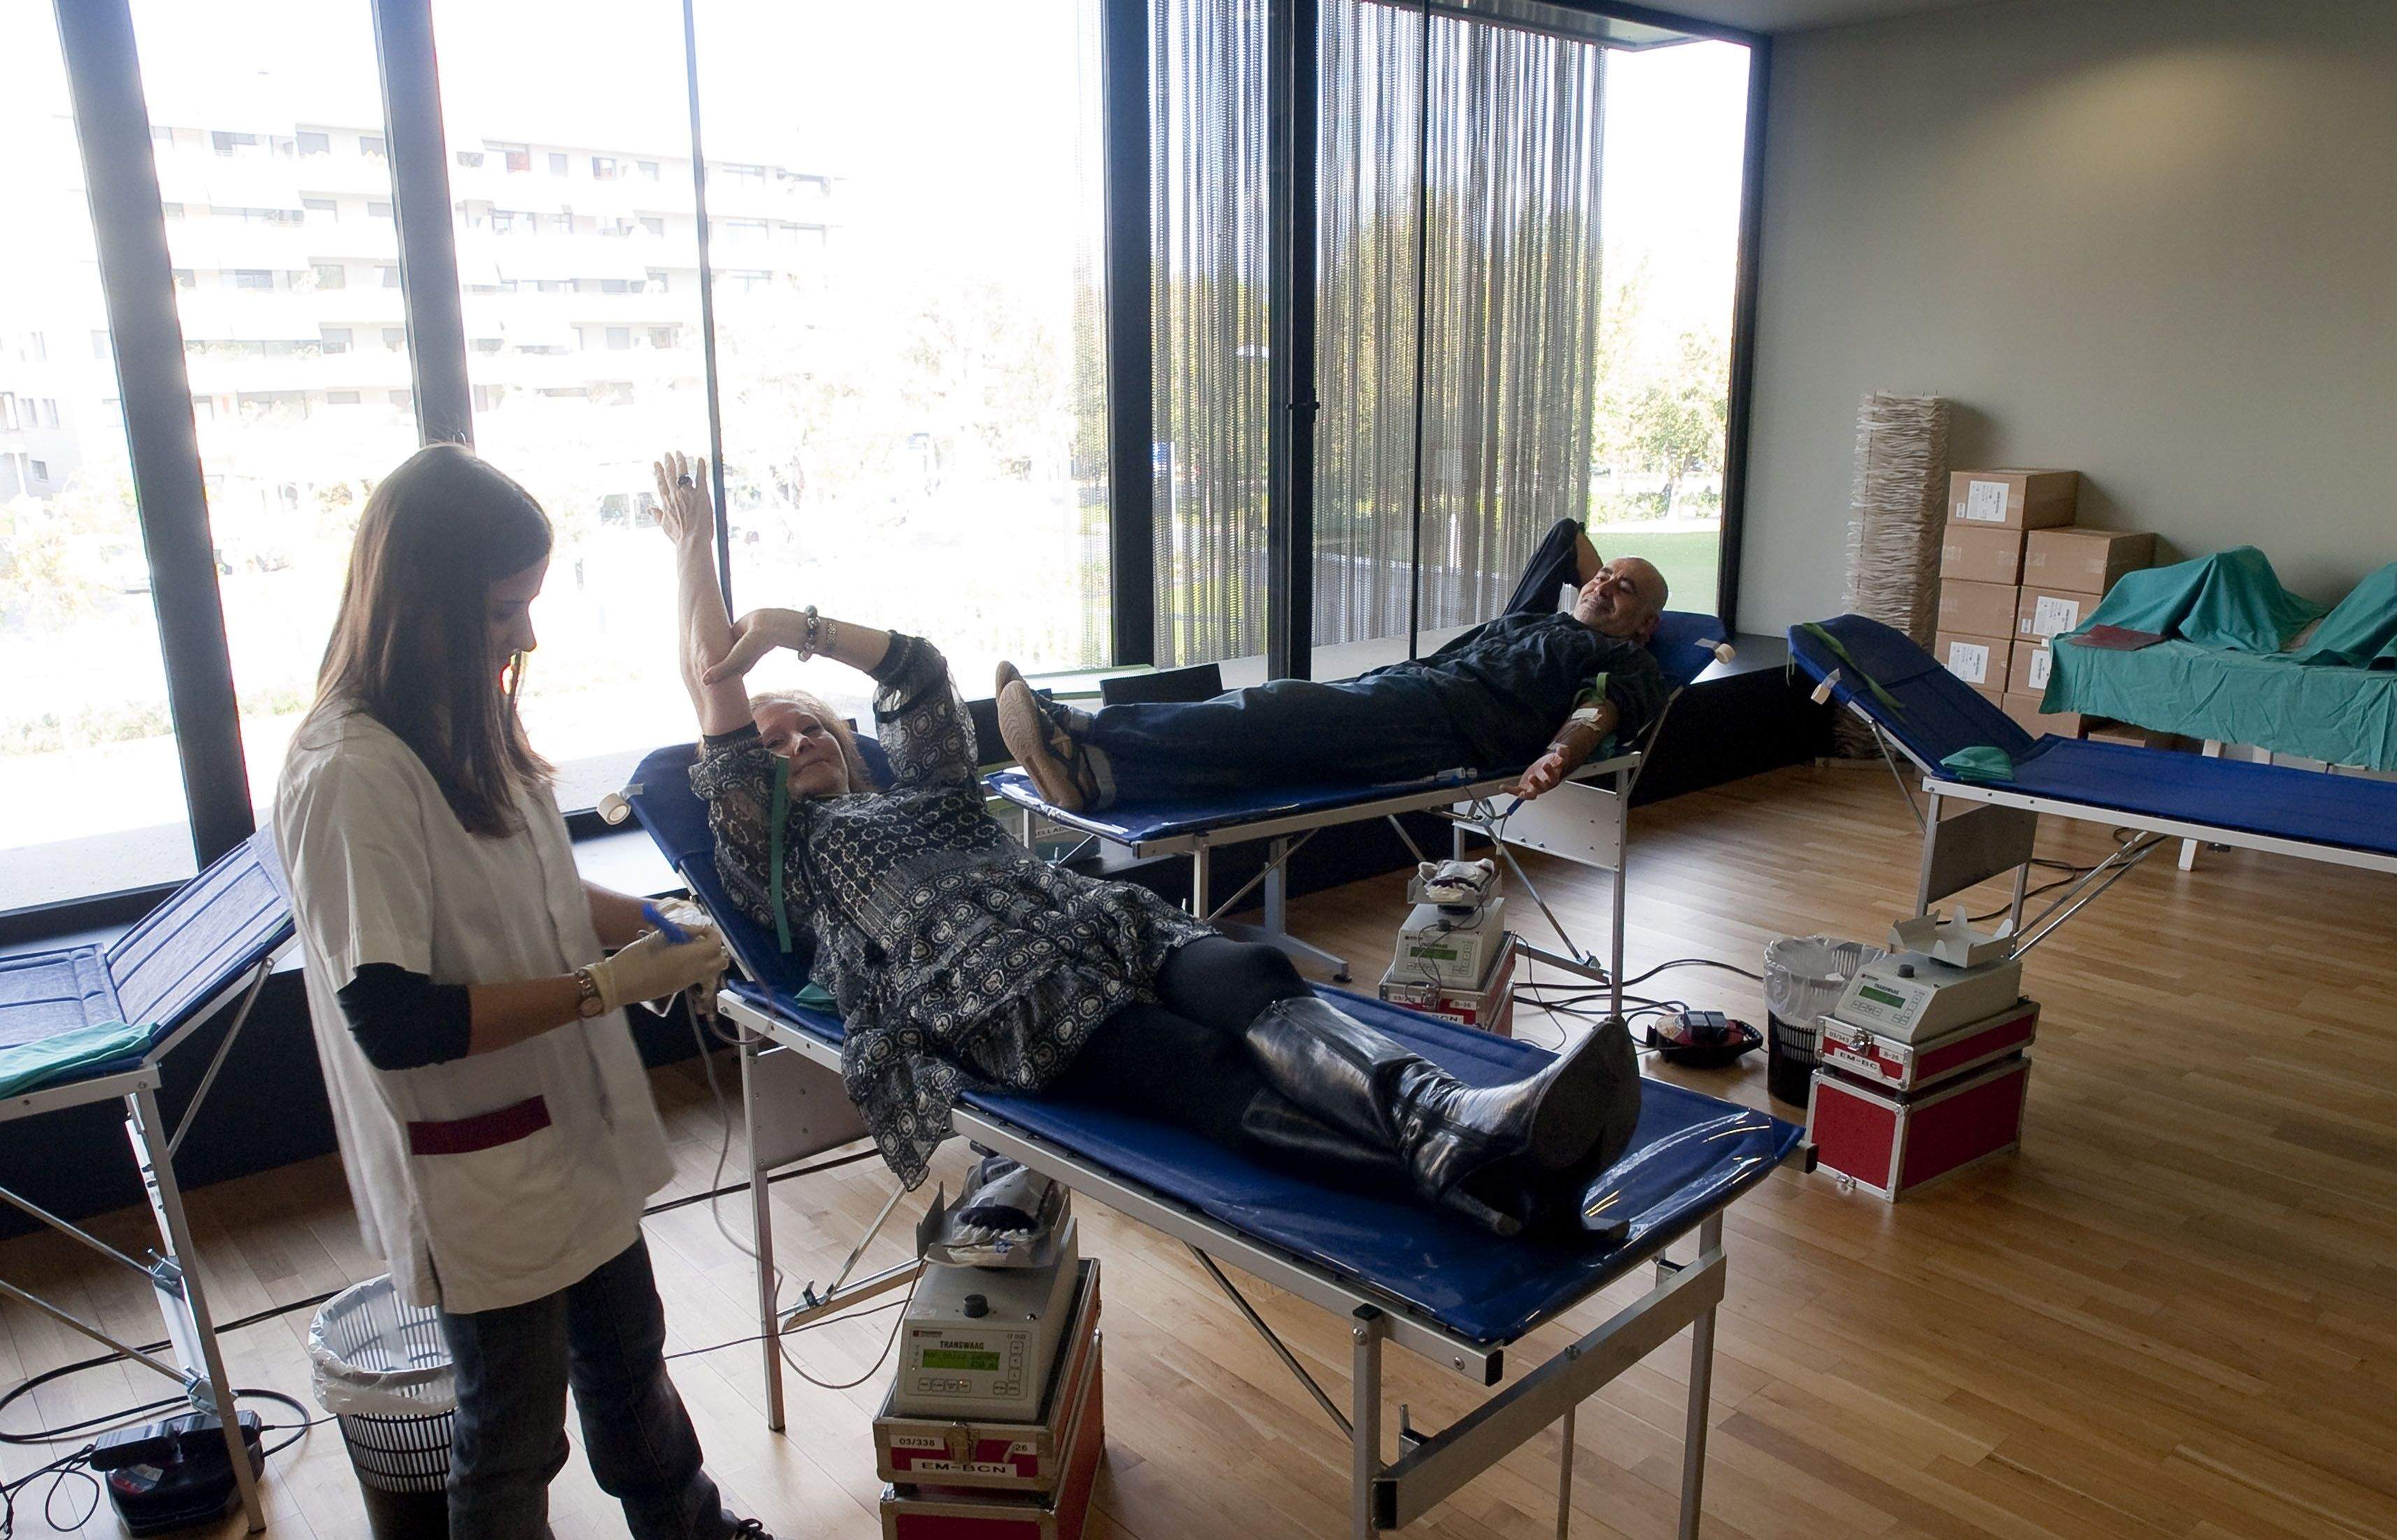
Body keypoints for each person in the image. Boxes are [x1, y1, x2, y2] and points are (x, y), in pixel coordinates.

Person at [652, 451, 1641, 1237]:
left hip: (1091, 914)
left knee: (1252, 973)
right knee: (1196, 1066)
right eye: (774, 745)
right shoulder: (787, 854)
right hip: (983, 978)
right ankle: (1476, 1174)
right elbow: (716, 695)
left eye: (811, 726)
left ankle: (1459, 1121)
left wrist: (803, 628)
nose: (797, 742)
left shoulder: (928, 787)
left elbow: (915, 670)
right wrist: (694, 547)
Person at [274, 444, 774, 1540]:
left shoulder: (461, 715)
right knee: (511, 1431)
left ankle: (687, 1525)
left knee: (630, 1367)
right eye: (505, 611)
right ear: (424, 604)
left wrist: (666, 925)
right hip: (479, 1167)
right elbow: (393, 1016)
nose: (527, 637)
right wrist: (603, 987)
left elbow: (534, 882)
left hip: (569, 1134)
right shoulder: (352, 770)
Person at [996, 519, 1670, 814]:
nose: (1602, 584)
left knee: (1274, 706)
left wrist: (1559, 753)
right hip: (1406, 689)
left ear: (1647, 626)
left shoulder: (1624, 659)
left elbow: (1600, 709)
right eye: (1602, 575)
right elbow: (1566, 535)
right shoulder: (1538, 619)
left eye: (1624, 590)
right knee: (1268, 742)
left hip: (1443, 724)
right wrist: (1609, 584)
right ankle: (1100, 779)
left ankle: (1082, 728)